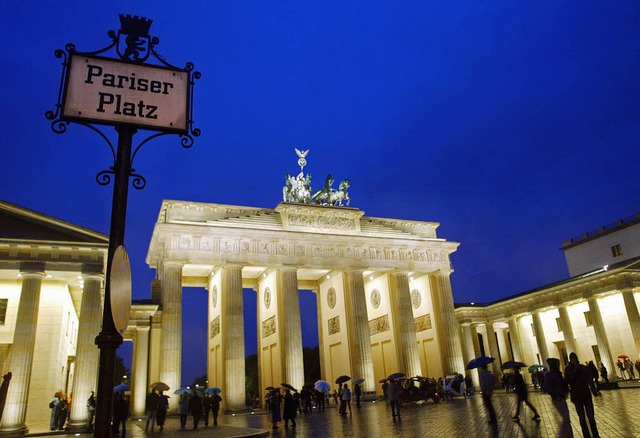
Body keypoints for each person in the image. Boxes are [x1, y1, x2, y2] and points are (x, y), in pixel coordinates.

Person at [565, 352, 600, 438]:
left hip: (585, 393)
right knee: (581, 417)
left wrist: (594, 391)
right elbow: (567, 381)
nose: (573, 360)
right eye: (572, 359)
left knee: (591, 416)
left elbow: (589, 380)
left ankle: (595, 434)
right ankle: (586, 435)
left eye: (574, 358)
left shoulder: (583, 368)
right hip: (577, 395)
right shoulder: (568, 370)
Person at [542, 358, 573, 438]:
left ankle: (568, 435)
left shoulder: (556, 373)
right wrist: (555, 395)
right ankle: (563, 435)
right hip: (558, 398)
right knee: (566, 419)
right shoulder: (551, 374)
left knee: (566, 419)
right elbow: (546, 387)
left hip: (561, 397)